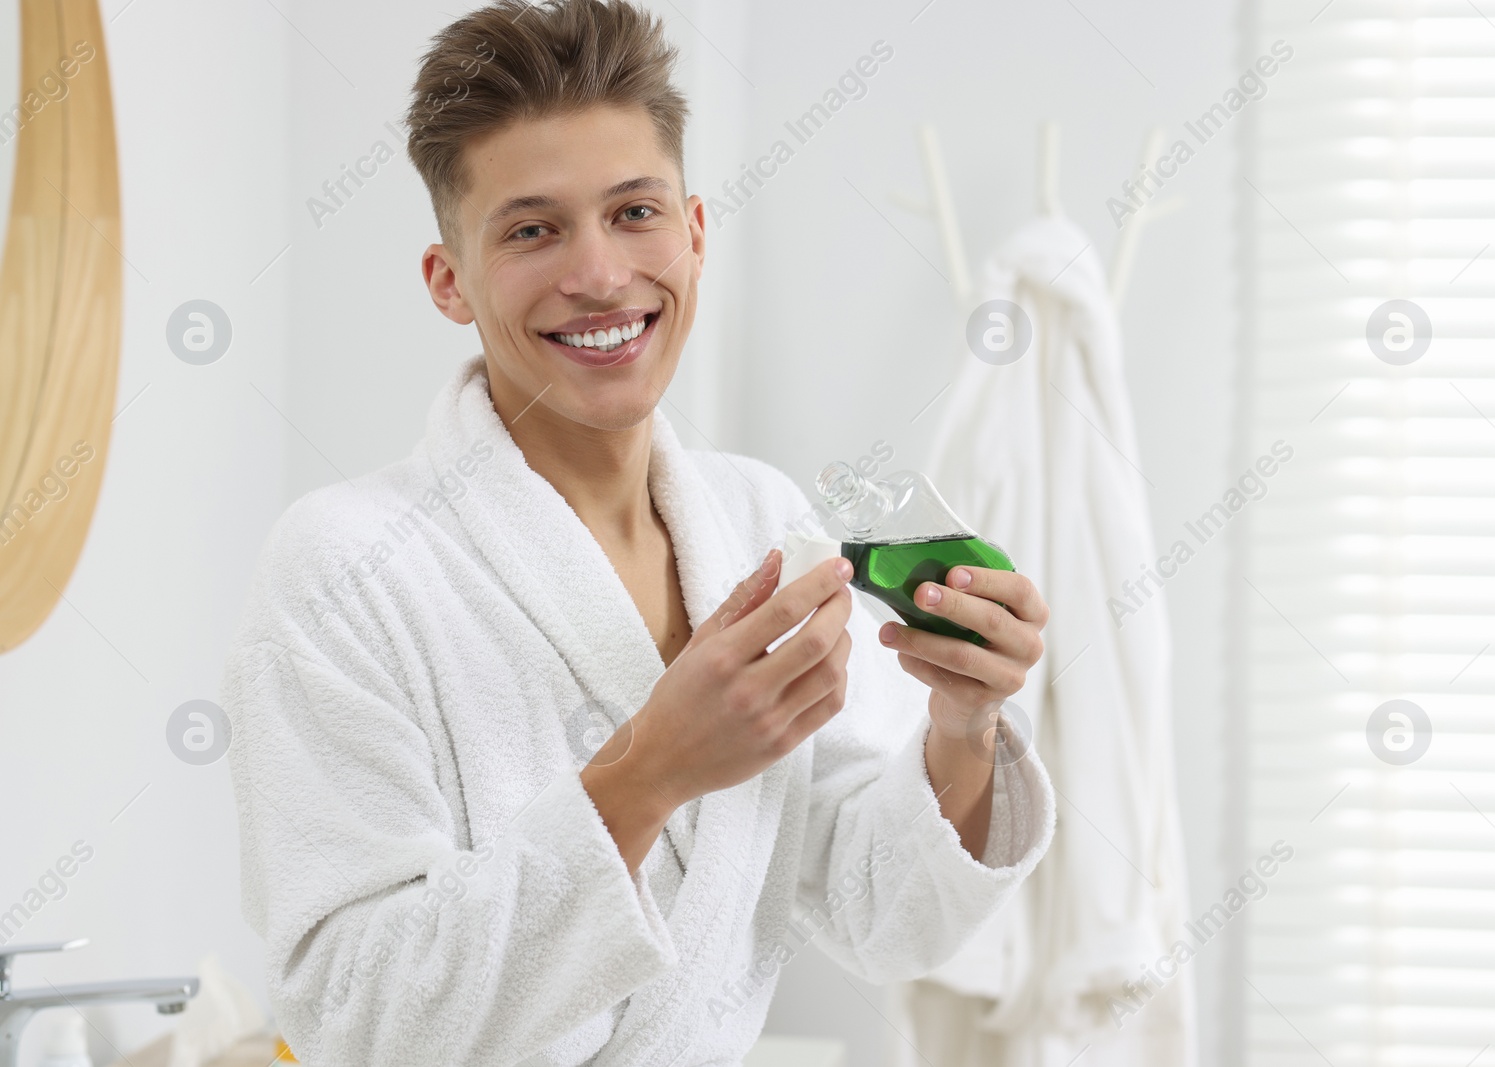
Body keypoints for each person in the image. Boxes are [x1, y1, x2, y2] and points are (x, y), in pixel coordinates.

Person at [221, 2, 1057, 1064]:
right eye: (531, 229)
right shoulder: (342, 567)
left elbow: (878, 910)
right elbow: (354, 1013)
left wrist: (960, 722)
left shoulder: (761, 521)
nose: (601, 275)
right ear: (448, 281)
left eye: (633, 213)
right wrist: (646, 771)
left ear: (695, 233)